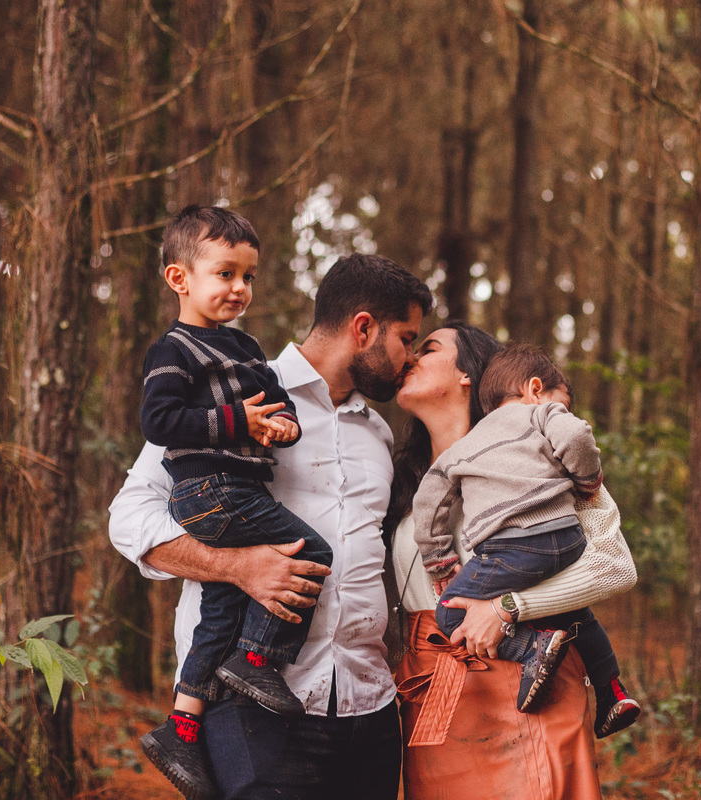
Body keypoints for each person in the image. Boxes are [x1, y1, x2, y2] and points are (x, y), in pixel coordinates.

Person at [109, 250, 433, 800]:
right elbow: (130, 518)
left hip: (369, 708)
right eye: (406, 338)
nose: (410, 359)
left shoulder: (378, 434)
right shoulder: (237, 391)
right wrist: (236, 566)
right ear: (363, 328)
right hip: (256, 709)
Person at [387, 322, 638, 800]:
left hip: (527, 675)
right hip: (432, 681)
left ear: (467, 375)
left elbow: (613, 565)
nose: (408, 358)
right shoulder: (404, 481)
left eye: (429, 348)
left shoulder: (545, 454)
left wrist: (507, 607)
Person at [136, 205, 335, 798]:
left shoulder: (247, 349)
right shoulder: (172, 350)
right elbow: (159, 419)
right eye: (225, 274)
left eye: (248, 276)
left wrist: (282, 429)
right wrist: (236, 422)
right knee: (312, 549)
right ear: (180, 279)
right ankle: (256, 662)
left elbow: (280, 406)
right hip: (210, 492)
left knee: (221, 606)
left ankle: (181, 725)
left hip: (237, 490)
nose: (240, 288)